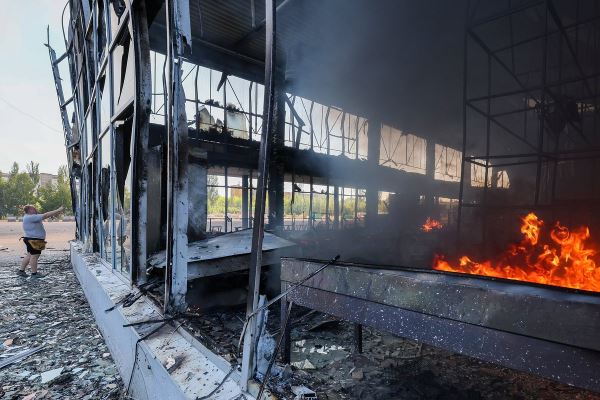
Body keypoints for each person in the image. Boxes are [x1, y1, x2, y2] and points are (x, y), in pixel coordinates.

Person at [17, 205, 65, 278]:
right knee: (34, 256)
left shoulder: (28, 217)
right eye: (33, 209)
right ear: (29, 210)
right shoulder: (31, 217)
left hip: (30, 238)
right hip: (34, 240)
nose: (36, 210)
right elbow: (46, 215)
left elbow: (46, 216)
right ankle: (34, 274)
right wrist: (58, 210)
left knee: (30, 255)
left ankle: (21, 271)